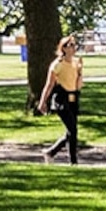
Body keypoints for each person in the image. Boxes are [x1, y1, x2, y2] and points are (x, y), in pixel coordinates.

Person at [41, 35, 84, 163]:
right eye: (70, 45)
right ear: (64, 48)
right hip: (61, 99)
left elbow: (78, 85)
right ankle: (73, 161)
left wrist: (80, 72)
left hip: (73, 97)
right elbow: (49, 85)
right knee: (73, 130)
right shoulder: (57, 65)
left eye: (74, 45)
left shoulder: (77, 63)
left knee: (71, 131)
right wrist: (43, 102)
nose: (73, 48)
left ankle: (50, 152)